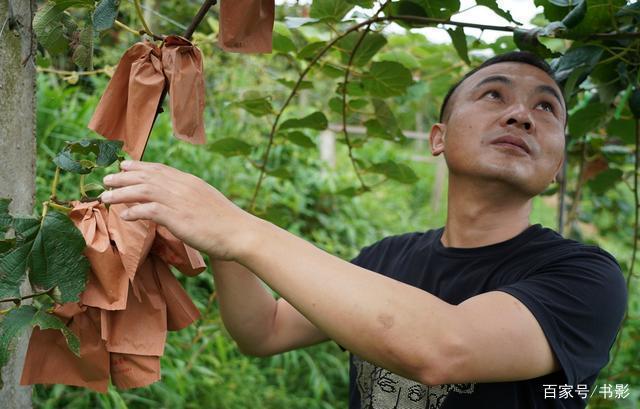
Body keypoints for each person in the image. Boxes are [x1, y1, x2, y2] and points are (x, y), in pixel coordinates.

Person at [100, 51, 627, 408]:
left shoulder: (585, 278)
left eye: (545, 107)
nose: (520, 115)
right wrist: (220, 242)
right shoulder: (387, 258)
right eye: (494, 95)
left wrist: (240, 229)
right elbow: (263, 331)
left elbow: (445, 348)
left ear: (558, 166)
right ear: (438, 138)